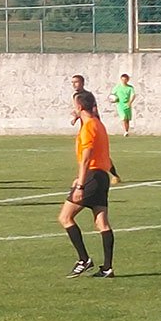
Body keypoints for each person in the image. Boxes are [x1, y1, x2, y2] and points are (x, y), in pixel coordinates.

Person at [59, 90, 117, 279]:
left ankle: (84, 260)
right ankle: (107, 268)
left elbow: (86, 158)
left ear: (79, 106)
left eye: (74, 105)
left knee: (65, 217)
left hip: (92, 176)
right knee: (102, 222)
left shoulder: (89, 127)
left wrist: (81, 185)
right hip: (102, 176)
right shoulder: (99, 125)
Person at [70, 75, 122, 183]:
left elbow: (92, 109)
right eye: (73, 82)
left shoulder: (88, 95)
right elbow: (79, 110)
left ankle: (115, 175)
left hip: (92, 126)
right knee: (85, 152)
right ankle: (83, 174)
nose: (74, 84)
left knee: (95, 153)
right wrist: (75, 117)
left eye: (76, 82)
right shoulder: (75, 96)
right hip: (84, 126)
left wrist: (95, 120)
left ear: (82, 83)